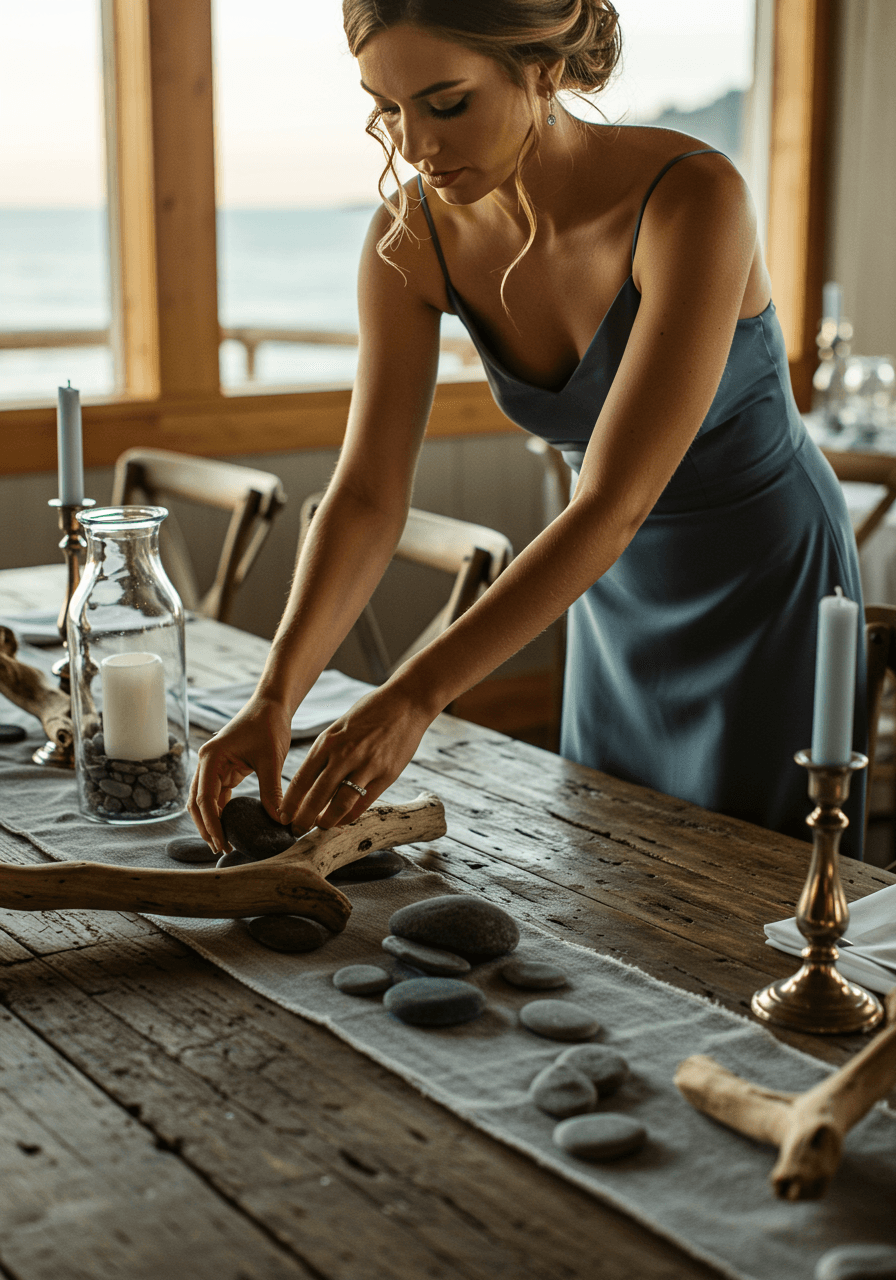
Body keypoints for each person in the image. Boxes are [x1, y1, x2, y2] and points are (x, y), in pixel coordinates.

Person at [189, 0, 866, 858]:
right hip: (602, 591)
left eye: (446, 103)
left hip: (764, 581)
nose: (413, 143)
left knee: (758, 897)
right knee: (612, 870)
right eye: (386, 108)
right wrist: (275, 698)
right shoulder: (411, 238)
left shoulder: (696, 198)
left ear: (541, 70)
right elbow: (364, 495)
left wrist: (415, 694)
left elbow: (614, 501)